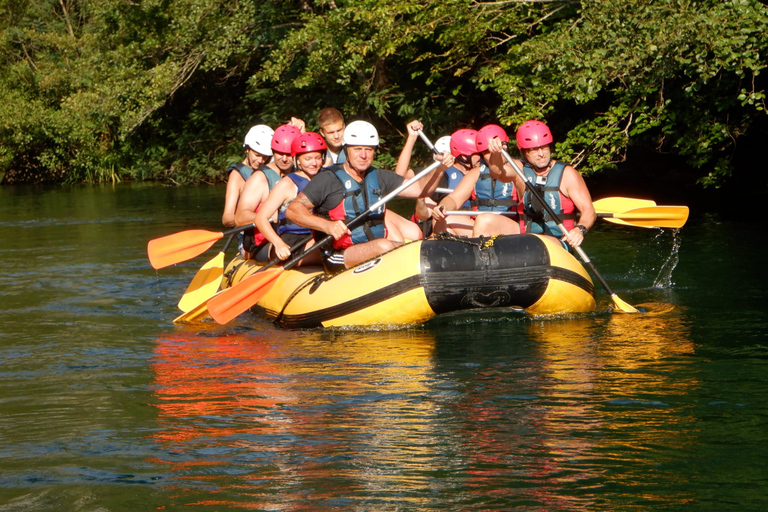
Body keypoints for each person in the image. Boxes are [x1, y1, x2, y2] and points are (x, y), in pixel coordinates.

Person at [285, 120, 453, 273]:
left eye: (369, 149)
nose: (363, 155)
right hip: (339, 254)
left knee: (414, 246)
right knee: (384, 245)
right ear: (346, 150)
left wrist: (439, 170)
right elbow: (293, 210)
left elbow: (419, 190)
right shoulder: (327, 179)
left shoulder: (379, 176)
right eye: (357, 149)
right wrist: (327, 226)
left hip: (375, 247)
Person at [484, 119, 596, 249]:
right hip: (526, 235)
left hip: (559, 241)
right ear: (524, 152)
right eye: (534, 150)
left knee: (537, 242)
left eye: (544, 147)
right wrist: (495, 154)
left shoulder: (567, 174)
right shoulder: (519, 169)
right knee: (484, 221)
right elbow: (496, 172)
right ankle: (483, 264)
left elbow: (589, 211)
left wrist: (579, 229)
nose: (541, 154)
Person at [254, 132, 327, 266]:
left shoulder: (326, 178)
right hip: (293, 241)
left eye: (318, 158)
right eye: (308, 158)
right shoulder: (287, 184)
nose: (314, 163)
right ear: (297, 160)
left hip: (318, 235)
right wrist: (278, 243)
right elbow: (261, 218)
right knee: (328, 248)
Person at [235, 120, 305, 261]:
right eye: (279, 153)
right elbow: (239, 217)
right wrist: (265, 215)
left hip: (296, 237)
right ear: (273, 151)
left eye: (289, 154)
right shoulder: (260, 178)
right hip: (264, 244)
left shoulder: (303, 172)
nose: (284, 159)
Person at [431, 128, 518, 237]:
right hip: (481, 225)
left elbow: (500, 172)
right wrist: (443, 207)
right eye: (487, 152)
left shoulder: (517, 167)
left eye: (495, 150)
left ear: (505, 147)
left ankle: (478, 251)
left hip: (510, 226)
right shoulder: (476, 172)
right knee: (442, 220)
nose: (492, 154)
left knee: (484, 220)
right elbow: (453, 199)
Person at [222, 124, 273, 228]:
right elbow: (227, 218)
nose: (260, 161)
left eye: (265, 157)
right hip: (249, 236)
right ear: (247, 149)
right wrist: (262, 217)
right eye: (257, 155)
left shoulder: (270, 170)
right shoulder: (237, 175)